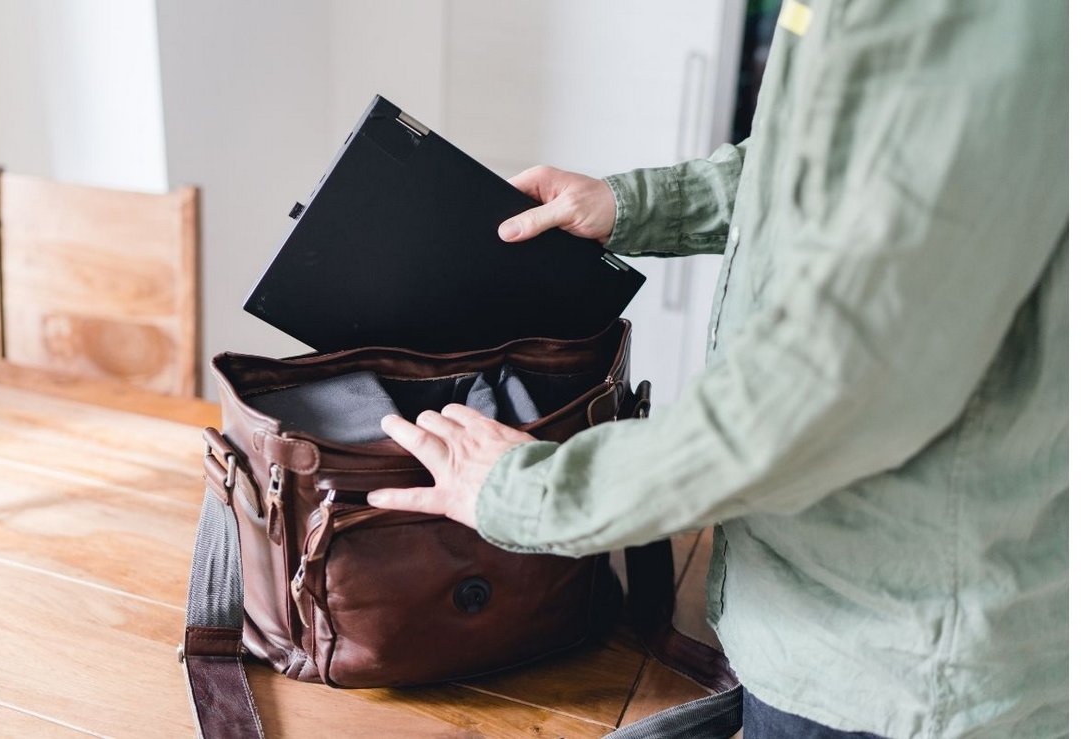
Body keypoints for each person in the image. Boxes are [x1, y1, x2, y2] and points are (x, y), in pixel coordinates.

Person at [369, 2, 1067, 736]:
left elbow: (821, 391)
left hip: (891, 667)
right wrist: (631, 203)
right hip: (817, 611)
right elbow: (829, 162)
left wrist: (530, 495)